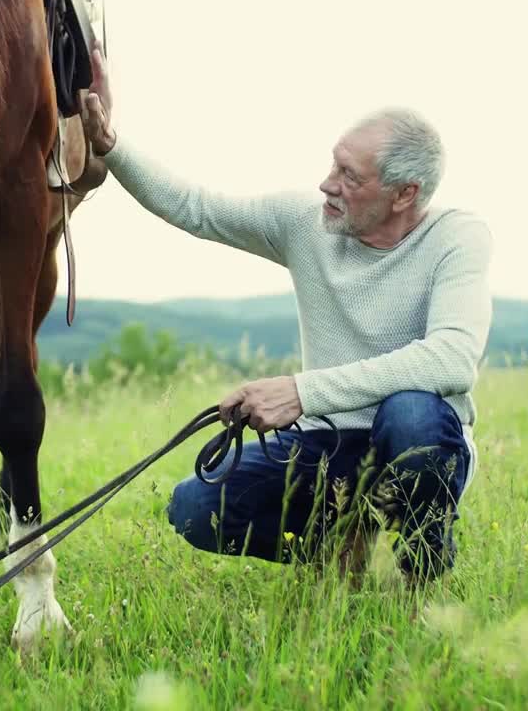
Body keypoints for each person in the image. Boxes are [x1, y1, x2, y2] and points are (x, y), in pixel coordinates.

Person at [79, 45, 492, 584]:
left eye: (349, 176)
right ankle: (339, 538)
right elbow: (197, 209)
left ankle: (421, 571)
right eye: (332, 165)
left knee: (411, 413)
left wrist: (302, 392)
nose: (327, 184)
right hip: (326, 443)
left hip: (416, 439)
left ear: (404, 194)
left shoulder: (457, 238)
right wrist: (111, 145)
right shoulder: (306, 223)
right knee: (196, 510)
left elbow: (453, 359)